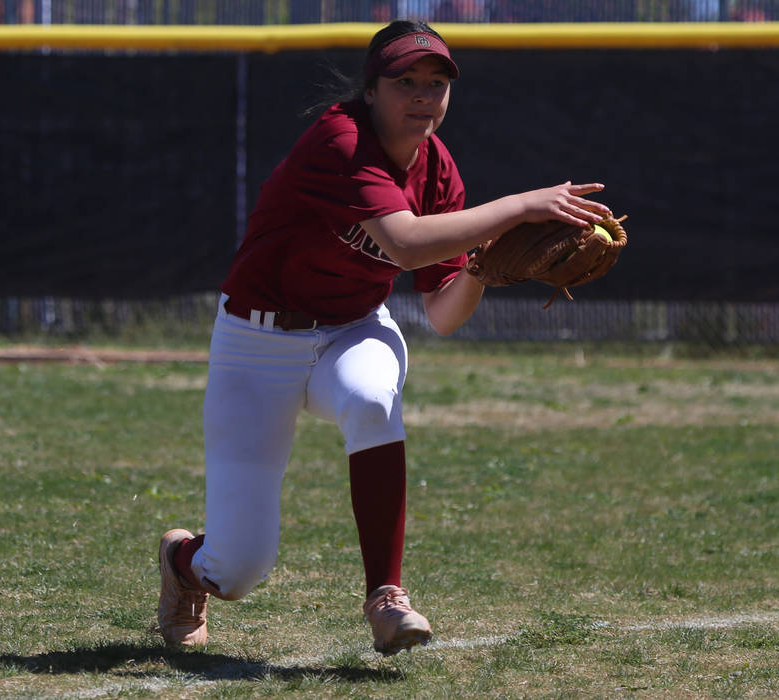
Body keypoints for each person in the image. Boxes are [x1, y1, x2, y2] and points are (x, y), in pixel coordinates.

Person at [156, 19, 610, 656]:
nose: (424, 96)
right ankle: (183, 563)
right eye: (406, 82)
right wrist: (521, 206)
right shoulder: (339, 140)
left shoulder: (437, 168)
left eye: (437, 83)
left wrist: (479, 269)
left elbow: (443, 313)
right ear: (372, 91)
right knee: (238, 568)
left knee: (373, 399)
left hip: (353, 330)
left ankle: (386, 596)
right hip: (257, 344)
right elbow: (402, 242)